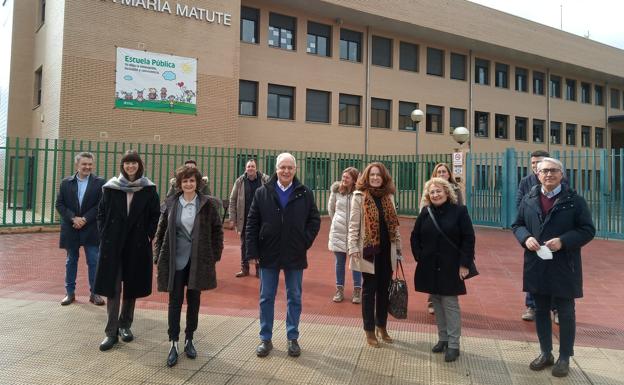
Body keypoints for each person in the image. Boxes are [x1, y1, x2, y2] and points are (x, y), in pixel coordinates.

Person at [512, 157, 595, 377]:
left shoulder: (574, 201)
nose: (548, 174)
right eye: (544, 171)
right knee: (540, 311)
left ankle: (564, 357)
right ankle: (545, 352)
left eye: (553, 170)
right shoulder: (529, 198)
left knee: (566, 312)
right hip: (536, 264)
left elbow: (588, 230)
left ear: (562, 174)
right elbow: (517, 224)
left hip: (564, 265)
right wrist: (525, 237)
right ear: (537, 174)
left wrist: (564, 240)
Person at [245, 153, 321, 358]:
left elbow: (314, 220)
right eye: (282, 167)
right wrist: (252, 252)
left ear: (295, 170)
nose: (286, 171)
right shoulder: (263, 192)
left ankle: (292, 337)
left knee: (294, 296)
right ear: (276, 169)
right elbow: (252, 223)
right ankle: (265, 338)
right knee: (266, 297)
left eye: (290, 167)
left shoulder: (305, 193)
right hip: (268, 252)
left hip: (294, 253)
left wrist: (304, 241)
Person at [154, 165, 224, 367]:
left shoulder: (207, 205)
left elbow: (217, 231)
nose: (188, 184)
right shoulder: (170, 203)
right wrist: (158, 255)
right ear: (179, 184)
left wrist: (214, 256)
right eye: (184, 181)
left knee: (194, 301)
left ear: (198, 183)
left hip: (197, 261)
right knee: (174, 302)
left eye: (192, 180)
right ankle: (173, 342)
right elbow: (161, 231)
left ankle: (189, 339)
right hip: (176, 261)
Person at [94, 150, 160, 352]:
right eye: (127, 163)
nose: (130, 166)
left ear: (140, 165)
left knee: (131, 287)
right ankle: (110, 332)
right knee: (112, 289)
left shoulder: (148, 189)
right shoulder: (111, 188)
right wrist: (104, 234)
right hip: (113, 244)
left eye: (134, 163)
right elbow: (101, 213)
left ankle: (125, 326)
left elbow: (155, 215)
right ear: (122, 165)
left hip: (136, 245)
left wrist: (148, 235)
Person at [410, 177, 475, 362]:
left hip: (451, 265)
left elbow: (468, 239)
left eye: (439, 191)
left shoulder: (459, 212)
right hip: (429, 264)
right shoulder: (425, 211)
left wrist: (465, 264)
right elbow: (415, 236)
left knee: (450, 303)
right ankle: (443, 338)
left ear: (447, 192)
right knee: (436, 302)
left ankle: (454, 345)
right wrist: (419, 256)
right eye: (432, 192)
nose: (435, 194)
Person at [347, 162, 402, 348]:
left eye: (378, 175)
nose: (375, 178)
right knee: (369, 291)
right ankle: (369, 331)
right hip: (369, 252)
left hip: (387, 251)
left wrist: (399, 249)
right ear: (367, 177)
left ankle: (382, 326)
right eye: (372, 175)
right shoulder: (359, 197)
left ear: (384, 177)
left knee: (384, 291)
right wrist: (352, 247)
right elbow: (354, 225)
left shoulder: (389, 197)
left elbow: (395, 225)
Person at [55, 152, 105, 306]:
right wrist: (73, 218)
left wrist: (84, 219)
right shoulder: (66, 183)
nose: (87, 167)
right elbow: (60, 204)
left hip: (91, 228)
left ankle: (95, 293)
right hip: (71, 228)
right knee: (71, 261)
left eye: (90, 164)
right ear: (77, 165)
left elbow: (101, 205)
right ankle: (69, 293)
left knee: (94, 261)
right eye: (84, 164)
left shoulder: (100, 182)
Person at [420, 162, 464, 315]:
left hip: (449, 234)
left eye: (444, 171)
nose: (442, 174)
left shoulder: (456, 189)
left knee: (449, 276)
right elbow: (423, 210)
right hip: (432, 236)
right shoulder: (430, 188)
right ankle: (432, 300)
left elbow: (461, 208)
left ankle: (449, 301)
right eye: (439, 171)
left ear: (449, 174)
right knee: (432, 272)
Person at [516, 150, 551, 322]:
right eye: (533, 163)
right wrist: (527, 234)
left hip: (553, 234)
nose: (536, 166)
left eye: (539, 162)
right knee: (533, 271)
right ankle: (531, 306)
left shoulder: (560, 180)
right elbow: (519, 205)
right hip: (533, 234)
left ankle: (556, 308)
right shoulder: (526, 182)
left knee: (556, 273)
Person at [228, 159, 270, 278]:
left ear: (256, 168)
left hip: (260, 219)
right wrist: (232, 218)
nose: (250, 168)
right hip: (244, 219)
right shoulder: (240, 181)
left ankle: (259, 269)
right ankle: (244, 268)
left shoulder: (264, 180)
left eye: (252, 166)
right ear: (245, 169)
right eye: (248, 166)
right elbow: (233, 200)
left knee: (260, 244)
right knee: (244, 245)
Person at [328, 167, 362, 303]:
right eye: (343, 177)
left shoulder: (358, 193)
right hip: (339, 231)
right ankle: (339, 290)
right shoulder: (336, 192)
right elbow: (331, 209)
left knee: (356, 263)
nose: (344, 179)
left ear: (354, 179)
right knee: (339, 263)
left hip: (355, 233)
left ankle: (357, 291)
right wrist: (337, 221)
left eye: (347, 177)